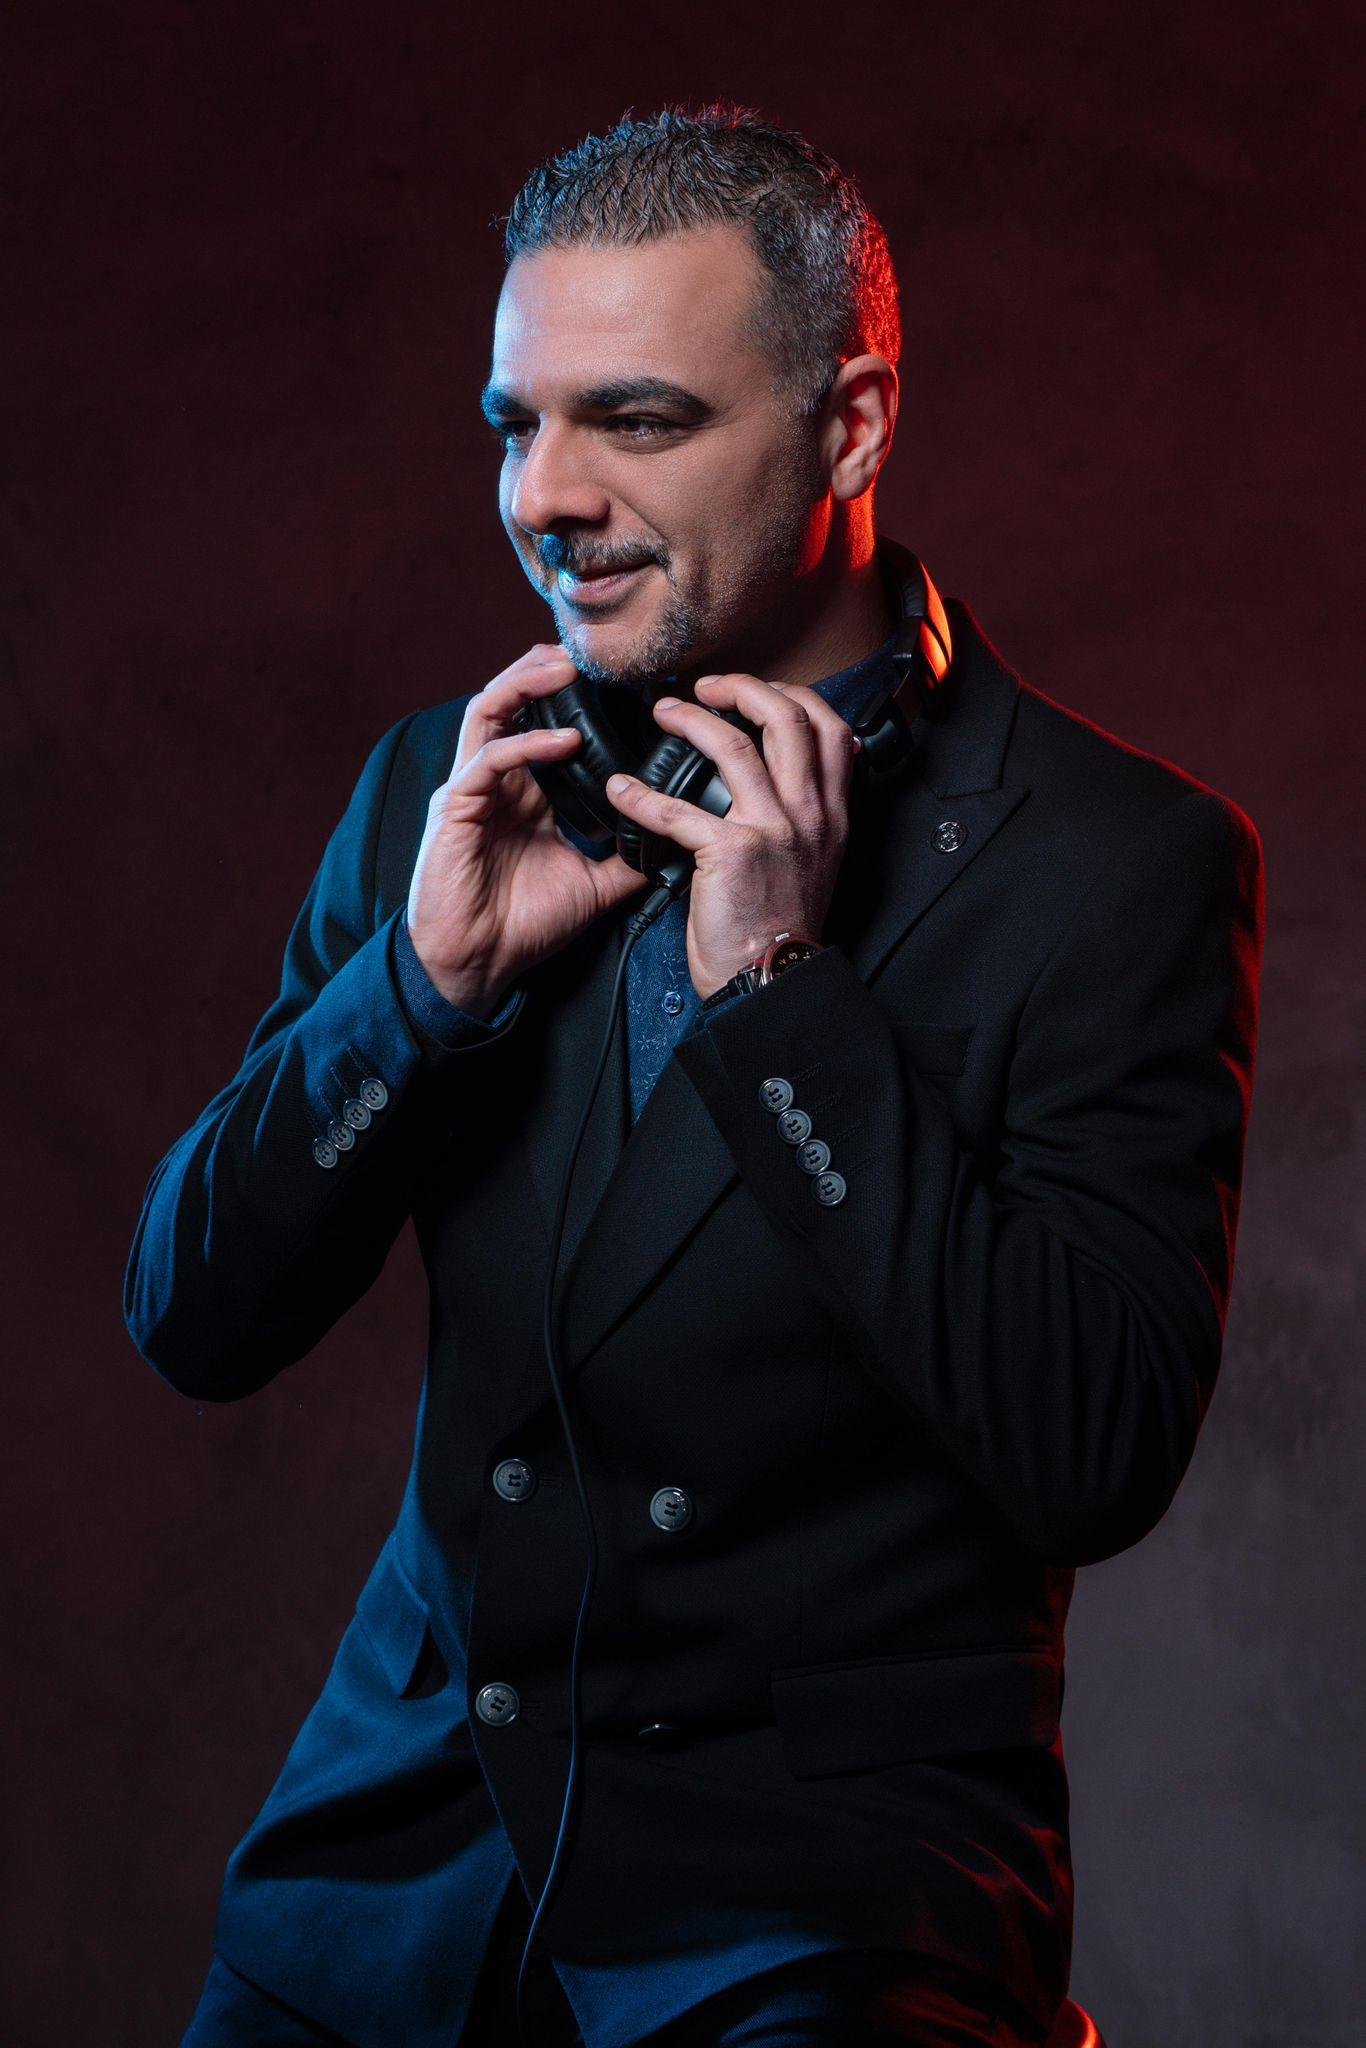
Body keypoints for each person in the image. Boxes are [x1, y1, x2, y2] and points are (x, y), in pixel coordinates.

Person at [127, 103, 1265, 2048]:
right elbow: (192, 1317)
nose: (543, 497)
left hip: (818, 1910)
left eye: (635, 420)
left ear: (851, 427)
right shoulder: (440, 789)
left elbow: (1087, 1447)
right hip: (386, 1876)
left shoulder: (1113, 861)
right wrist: (420, 993)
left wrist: (781, 998)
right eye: (514, 424)